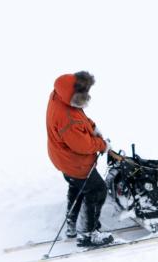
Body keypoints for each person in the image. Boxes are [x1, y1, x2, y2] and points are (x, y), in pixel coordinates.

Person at [46, 71, 113, 247]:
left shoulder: (58, 96)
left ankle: (72, 225)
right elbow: (82, 145)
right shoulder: (68, 119)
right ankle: (88, 234)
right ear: (73, 95)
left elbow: (80, 117)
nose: (87, 96)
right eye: (83, 94)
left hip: (62, 158)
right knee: (97, 190)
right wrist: (102, 144)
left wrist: (93, 127)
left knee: (77, 186)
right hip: (75, 162)